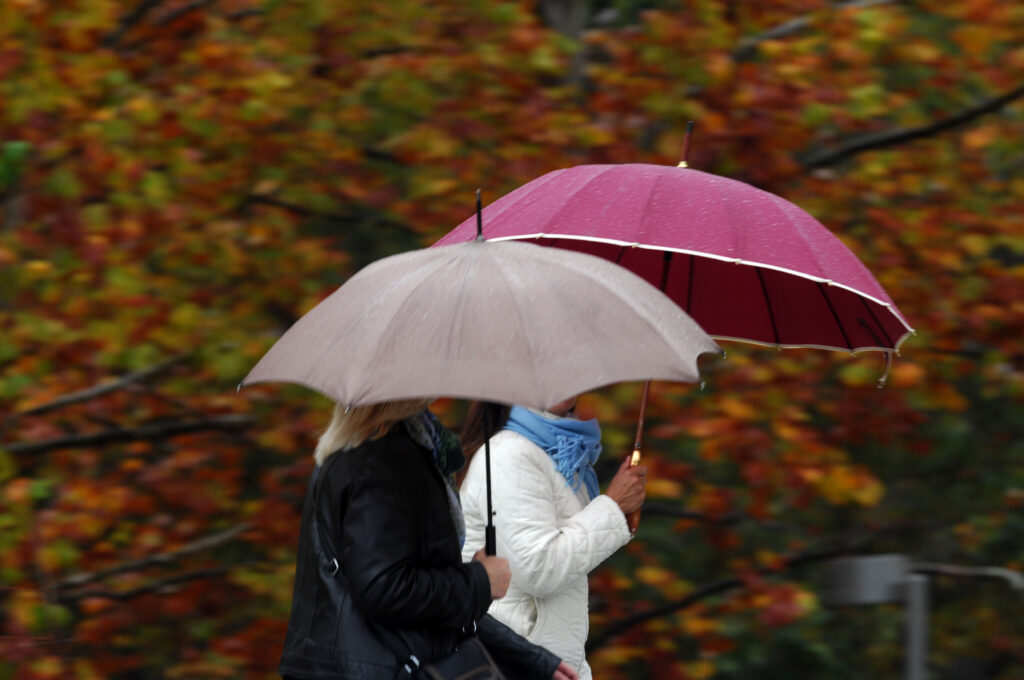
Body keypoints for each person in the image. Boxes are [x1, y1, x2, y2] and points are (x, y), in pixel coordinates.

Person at [279, 399, 579, 680]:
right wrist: (480, 580)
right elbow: (386, 588)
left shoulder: (367, 452)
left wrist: (531, 660)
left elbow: (428, 603)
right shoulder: (382, 461)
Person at [458, 397, 647, 680]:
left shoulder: (558, 454)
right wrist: (613, 508)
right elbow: (539, 568)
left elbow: (567, 566)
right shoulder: (510, 454)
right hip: (511, 663)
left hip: (551, 663)